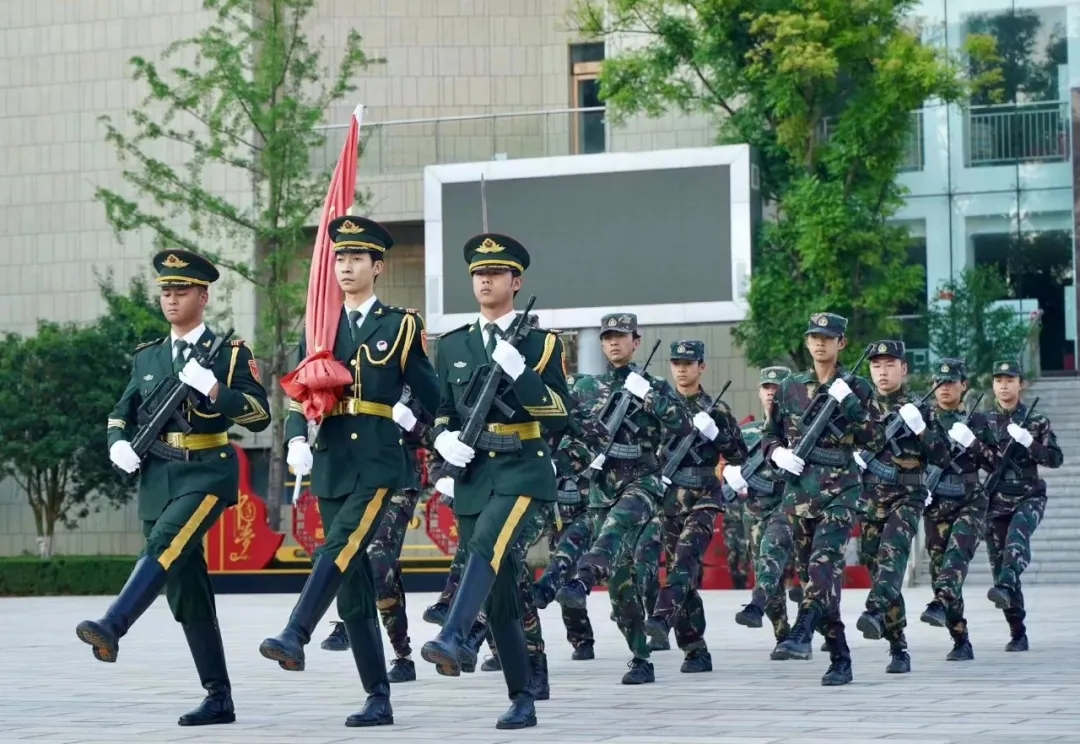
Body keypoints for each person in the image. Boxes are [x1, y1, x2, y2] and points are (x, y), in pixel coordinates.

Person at [260, 216, 439, 728]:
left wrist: (422, 422)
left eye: (356, 258)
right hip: (334, 461)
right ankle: (378, 695)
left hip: (382, 461)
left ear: (377, 267)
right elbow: (300, 390)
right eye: (340, 258)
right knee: (354, 582)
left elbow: (432, 395)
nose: (345, 266)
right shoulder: (319, 326)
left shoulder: (401, 325)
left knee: (338, 547)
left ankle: (297, 631)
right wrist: (295, 436)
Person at [81, 250, 270, 726]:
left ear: (203, 296)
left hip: (207, 470)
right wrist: (117, 442)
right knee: (185, 589)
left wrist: (212, 389)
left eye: (181, 290)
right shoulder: (148, 356)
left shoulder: (230, 355)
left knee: (165, 544)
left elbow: (258, 413)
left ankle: (113, 624)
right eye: (166, 290)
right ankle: (218, 697)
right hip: (158, 477)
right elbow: (122, 410)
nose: (171, 298)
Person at [420, 233, 570, 730]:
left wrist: (522, 372)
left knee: (485, 543)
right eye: (478, 274)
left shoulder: (542, 343)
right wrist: (442, 441)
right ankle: (522, 695)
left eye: (496, 273)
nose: (485, 280)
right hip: (474, 474)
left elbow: (559, 415)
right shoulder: (455, 343)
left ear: (516, 281)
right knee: (502, 590)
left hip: (523, 468)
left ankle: (455, 634)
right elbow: (441, 409)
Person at [554, 314, 693, 685]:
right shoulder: (585, 387)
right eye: (608, 337)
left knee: (613, 532)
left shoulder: (655, 385)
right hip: (602, 488)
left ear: (637, 341)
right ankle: (640, 656)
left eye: (622, 336)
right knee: (620, 585)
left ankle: (581, 580)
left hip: (643, 483)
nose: (615, 343)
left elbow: (682, 425)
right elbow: (562, 423)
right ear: (601, 344)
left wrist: (647, 396)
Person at [761, 312, 884, 687]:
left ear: (841, 343)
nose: (819, 343)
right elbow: (770, 435)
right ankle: (841, 657)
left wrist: (848, 405)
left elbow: (875, 440)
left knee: (824, 563)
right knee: (817, 577)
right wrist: (776, 454)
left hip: (841, 490)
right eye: (814, 336)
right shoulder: (790, 387)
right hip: (799, 494)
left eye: (827, 338)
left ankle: (801, 631)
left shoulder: (858, 387)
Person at [643, 340, 747, 673]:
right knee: (680, 573)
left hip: (704, 495)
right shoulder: (659, 407)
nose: (682, 368)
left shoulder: (715, 408)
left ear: (702, 367)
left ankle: (660, 617)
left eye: (689, 363)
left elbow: (738, 456)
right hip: (669, 497)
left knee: (685, 560)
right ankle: (695, 648)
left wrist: (716, 434)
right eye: (676, 363)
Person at [319, 388, 432, 686]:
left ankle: (351, 624)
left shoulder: (415, 386)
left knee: (380, 559)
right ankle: (402, 655)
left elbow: (442, 432)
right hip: (358, 479)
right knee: (358, 555)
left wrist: (411, 424)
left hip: (397, 482)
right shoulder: (358, 380)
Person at [853, 340, 950, 674]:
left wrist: (921, 429)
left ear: (903, 369)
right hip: (869, 500)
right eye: (877, 365)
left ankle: (874, 611)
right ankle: (897, 643)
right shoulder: (860, 407)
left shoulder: (921, 407)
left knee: (892, 556)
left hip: (907, 495)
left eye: (890, 364)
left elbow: (942, 456)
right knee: (877, 568)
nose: (883, 371)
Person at [983, 359, 1063, 651]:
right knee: (998, 565)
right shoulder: (984, 420)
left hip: (1029, 495)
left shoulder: (1036, 419)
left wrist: (1030, 442)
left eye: (1010, 379)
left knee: (1016, 542)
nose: (1004, 385)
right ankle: (1017, 630)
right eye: (999, 380)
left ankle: (1006, 583)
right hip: (995, 500)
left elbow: (1055, 459)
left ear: (1021, 384)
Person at [919, 358, 996, 660]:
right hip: (935, 504)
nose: (945, 388)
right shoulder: (922, 419)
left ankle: (939, 604)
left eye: (951, 382)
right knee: (941, 572)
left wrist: (974, 444)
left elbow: (995, 464)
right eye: (939, 382)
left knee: (955, 557)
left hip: (969, 501)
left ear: (964, 386)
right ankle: (960, 637)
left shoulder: (978, 422)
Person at [729, 366, 798, 659]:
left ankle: (816, 624)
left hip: (794, 509)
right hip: (756, 513)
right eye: (766, 387)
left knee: (806, 573)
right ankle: (783, 634)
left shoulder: (799, 430)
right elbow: (726, 462)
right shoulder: (746, 433)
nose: (771, 392)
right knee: (767, 572)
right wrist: (731, 473)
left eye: (777, 387)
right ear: (759, 392)